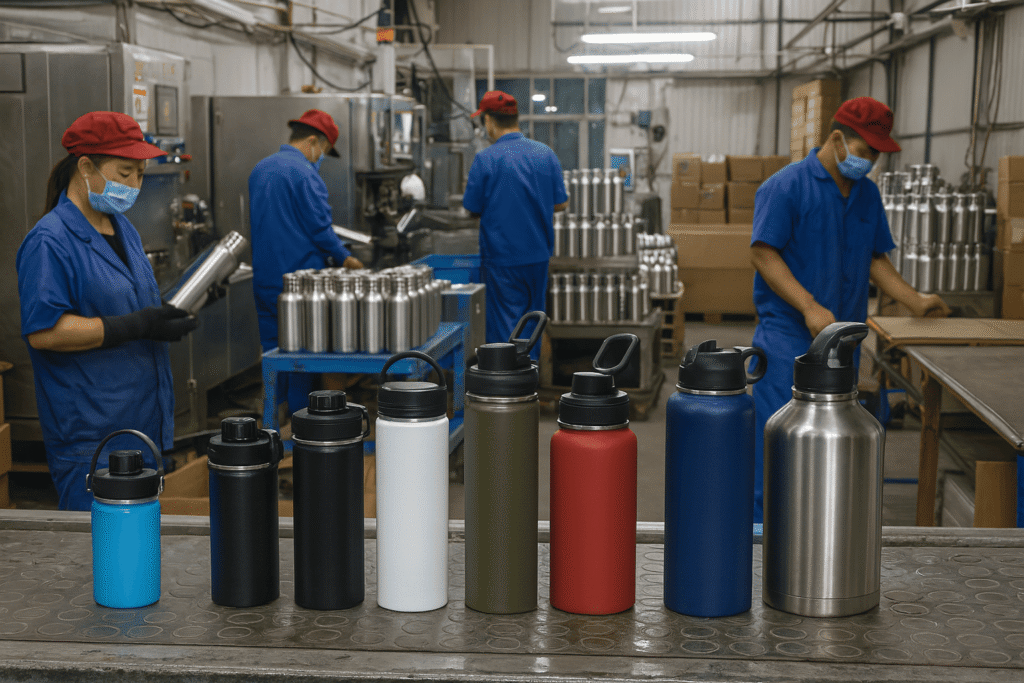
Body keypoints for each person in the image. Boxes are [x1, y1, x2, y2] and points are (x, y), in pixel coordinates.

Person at [749, 97, 951, 523]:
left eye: (877, 155)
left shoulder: (866, 195)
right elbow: (764, 254)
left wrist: (916, 301)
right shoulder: (786, 187)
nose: (870, 162)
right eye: (865, 151)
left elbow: (875, 258)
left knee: (830, 453)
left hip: (844, 344)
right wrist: (808, 306)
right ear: (838, 138)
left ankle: (819, 535)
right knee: (777, 451)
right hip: (789, 342)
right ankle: (764, 537)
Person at [16, 111, 198, 511]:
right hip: (92, 437)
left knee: (137, 543)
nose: (134, 184)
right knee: (99, 546)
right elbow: (45, 332)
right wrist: (137, 325)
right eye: (125, 172)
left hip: (141, 425)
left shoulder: (121, 227)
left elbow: (130, 304)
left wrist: (164, 317)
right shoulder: (50, 241)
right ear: (85, 167)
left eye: (140, 174)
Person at [249, 109, 363, 415]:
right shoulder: (305, 174)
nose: (321, 157)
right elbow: (320, 229)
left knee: (273, 353)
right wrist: (346, 258)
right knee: (301, 353)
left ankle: (273, 420)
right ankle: (300, 425)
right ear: (313, 141)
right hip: (301, 286)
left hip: (265, 280)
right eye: (324, 149)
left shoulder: (260, 169)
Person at [463, 91, 569, 357]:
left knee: (505, 331)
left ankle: (506, 381)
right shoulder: (545, 154)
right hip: (538, 258)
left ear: (488, 121)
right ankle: (530, 375)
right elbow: (561, 203)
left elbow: (472, 208)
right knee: (533, 324)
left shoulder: (486, 159)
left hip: (503, 260)